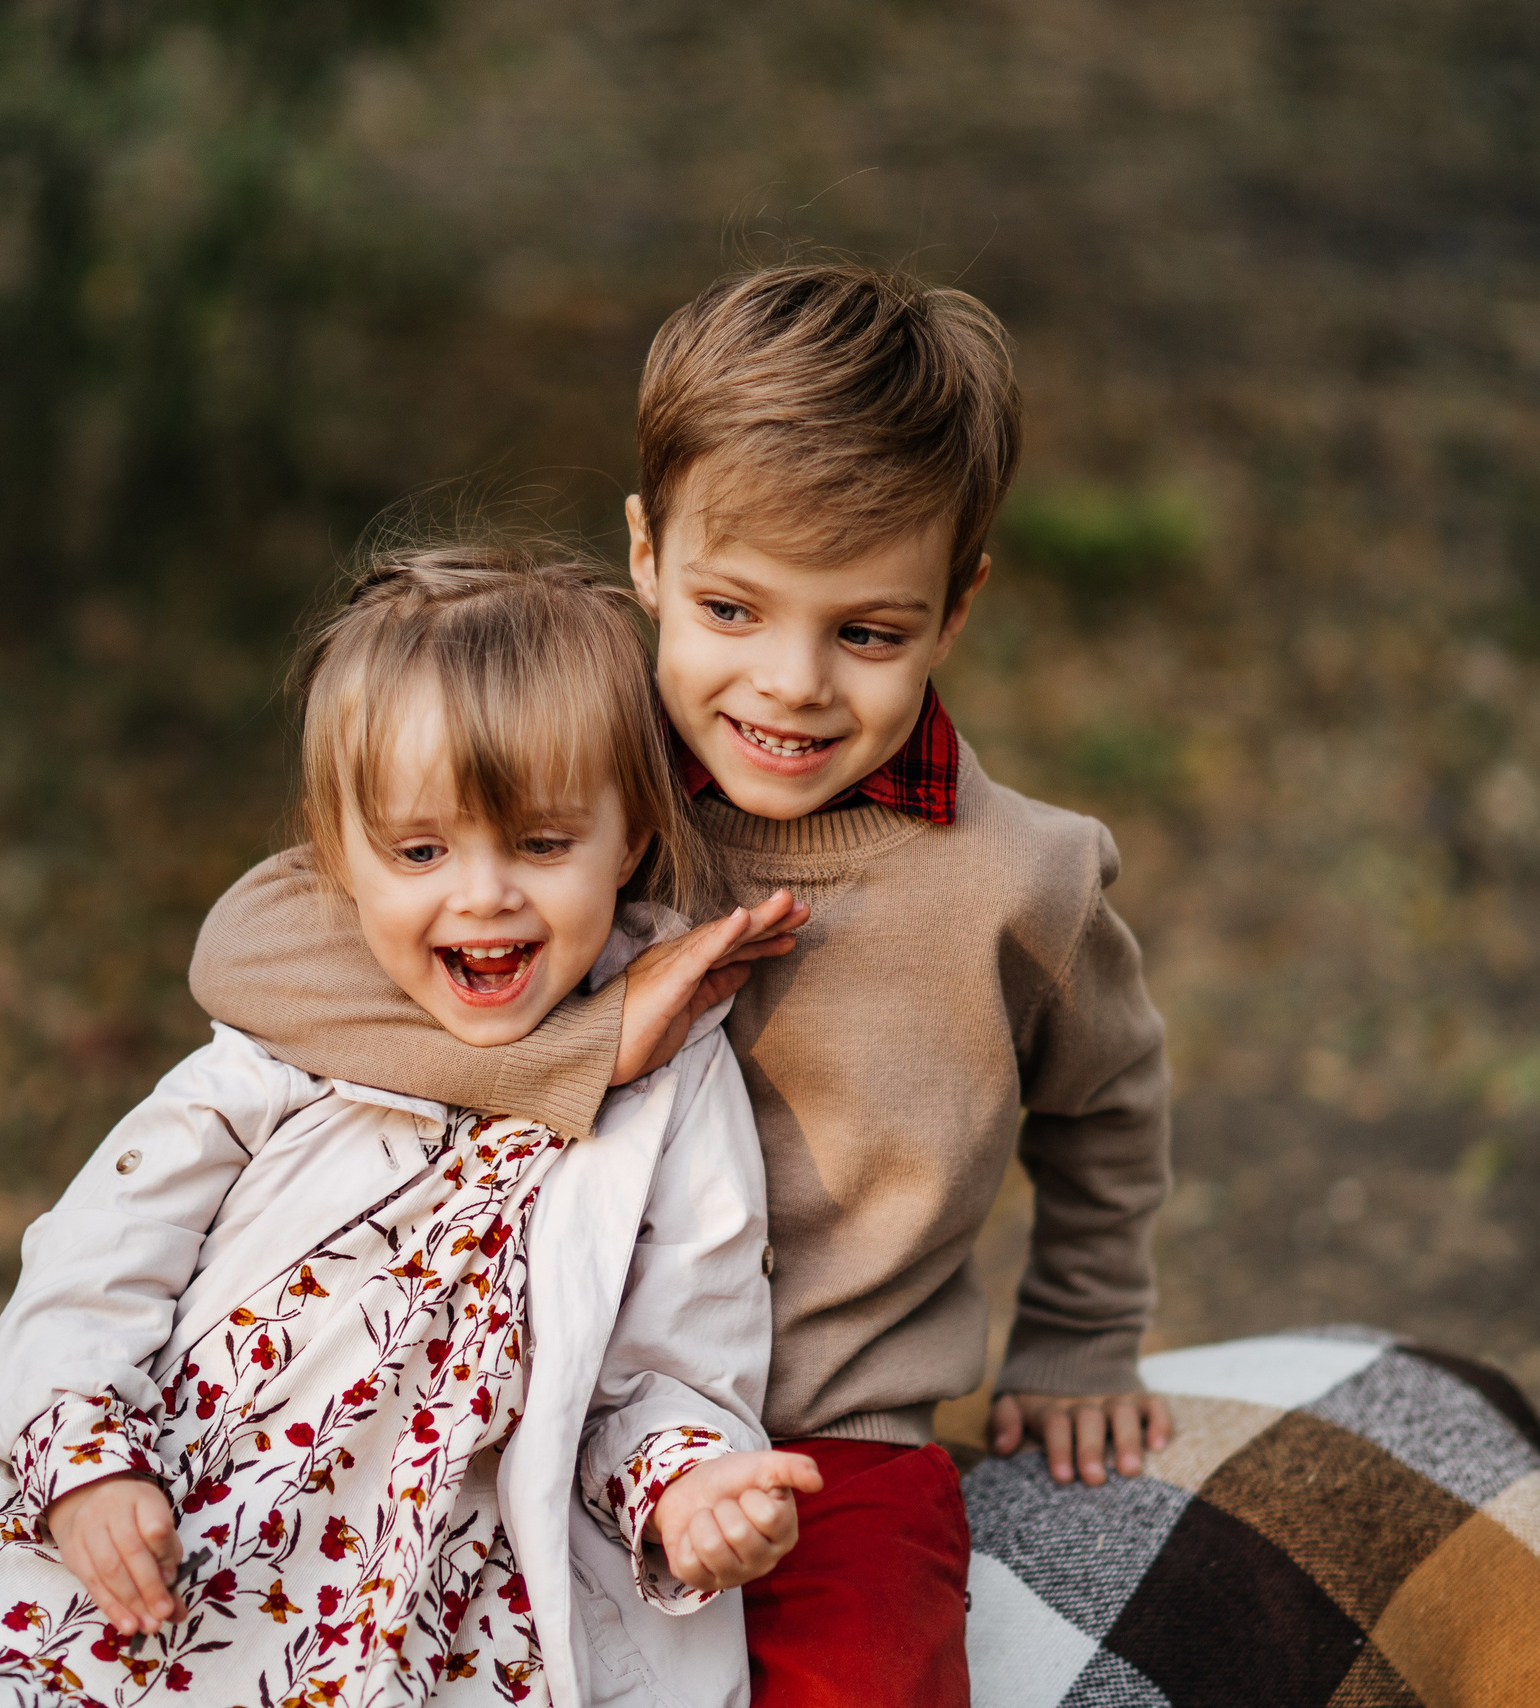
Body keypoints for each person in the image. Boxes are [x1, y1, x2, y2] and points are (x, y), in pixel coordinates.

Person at [186, 263, 1176, 1708]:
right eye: (730, 608)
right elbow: (249, 946)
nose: (787, 685)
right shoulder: (570, 781)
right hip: (511, 1390)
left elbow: (1109, 1100)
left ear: (957, 607)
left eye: (867, 632)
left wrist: (1085, 1333)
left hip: (824, 1444)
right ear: (646, 557)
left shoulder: (1022, 882)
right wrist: (584, 1043)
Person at [0, 544, 823, 1708]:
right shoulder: (294, 1031)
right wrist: (87, 1466)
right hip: (188, 1510)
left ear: (631, 836)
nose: (483, 893)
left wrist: (685, 1489)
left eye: (542, 844)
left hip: (427, 1587)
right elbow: (97, 1258)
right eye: (421, 850)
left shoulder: (679, 1076)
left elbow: (676, 1355)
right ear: (341, 852)